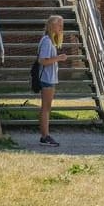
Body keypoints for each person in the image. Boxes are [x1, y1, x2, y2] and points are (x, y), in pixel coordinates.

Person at [35, 14, 63, 146]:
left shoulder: (51, 41)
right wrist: (59, 58)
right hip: (46, 78)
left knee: (47, 107)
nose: (61, 27)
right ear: (52, 26)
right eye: (59, 25)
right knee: (45, 108)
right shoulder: (46, 41)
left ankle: (45, 135)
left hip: (50, 78)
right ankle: (45, 136)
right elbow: (42, 61)